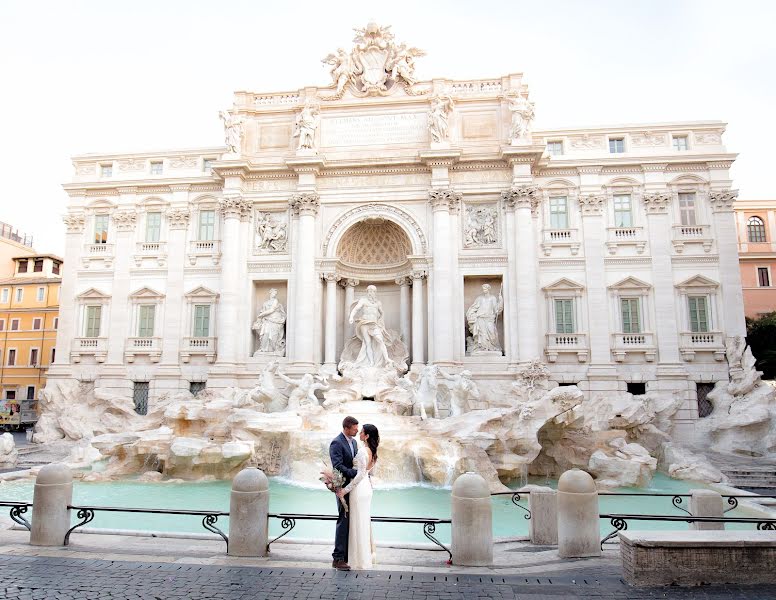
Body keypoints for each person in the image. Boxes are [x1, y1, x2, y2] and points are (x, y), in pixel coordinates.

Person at [336, 423, 379, 570]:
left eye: (362, 432)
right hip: (367, 489)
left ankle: (358, 560)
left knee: (357, 523)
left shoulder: (362, 451)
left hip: (359, 490)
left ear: (366, 436)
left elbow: (359, 475)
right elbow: (369, 474)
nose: (359, 433)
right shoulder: (373, 451)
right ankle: (364, 556)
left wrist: (345, 490)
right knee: (363, 522)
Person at [330, 416, 359, 570]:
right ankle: (338, 558)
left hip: (353, 488)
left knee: (350, 521)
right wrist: (355, 473)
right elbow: (337, 466)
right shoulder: (336, 442)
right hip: (342, 487)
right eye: (355, 428)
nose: (357, 430)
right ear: (347, 428)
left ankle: (347, 556)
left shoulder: (354, 442)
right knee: (343, 520)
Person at [348, 285, 393, 368]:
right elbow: (356, 309)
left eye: (373, 291)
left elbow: (382, 313)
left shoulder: (378, 303)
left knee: (380, 340)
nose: (371, 293)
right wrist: (351, 317)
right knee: (367, 343)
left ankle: (386, 358)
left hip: (374, 324)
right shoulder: (363, 300)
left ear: (375, 292)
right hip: (364, 323)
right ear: (367, 292)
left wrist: (381, 322)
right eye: (369, 291)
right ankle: (371, 362)